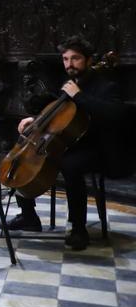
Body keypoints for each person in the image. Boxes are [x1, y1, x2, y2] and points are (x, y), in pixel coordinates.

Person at [7, 37, 127, 249]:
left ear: (89, 60)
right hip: (68, 142)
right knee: (22, 155)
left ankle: (79, 229)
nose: (69, 64)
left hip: (97, 146)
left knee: (71, 165)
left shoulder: (106, 85)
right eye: (65, 59)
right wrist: (35, 120)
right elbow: (59, 115)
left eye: (75, 59)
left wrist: (79, 96)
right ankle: (28, 216)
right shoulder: (69, 83)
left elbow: (115, 115)